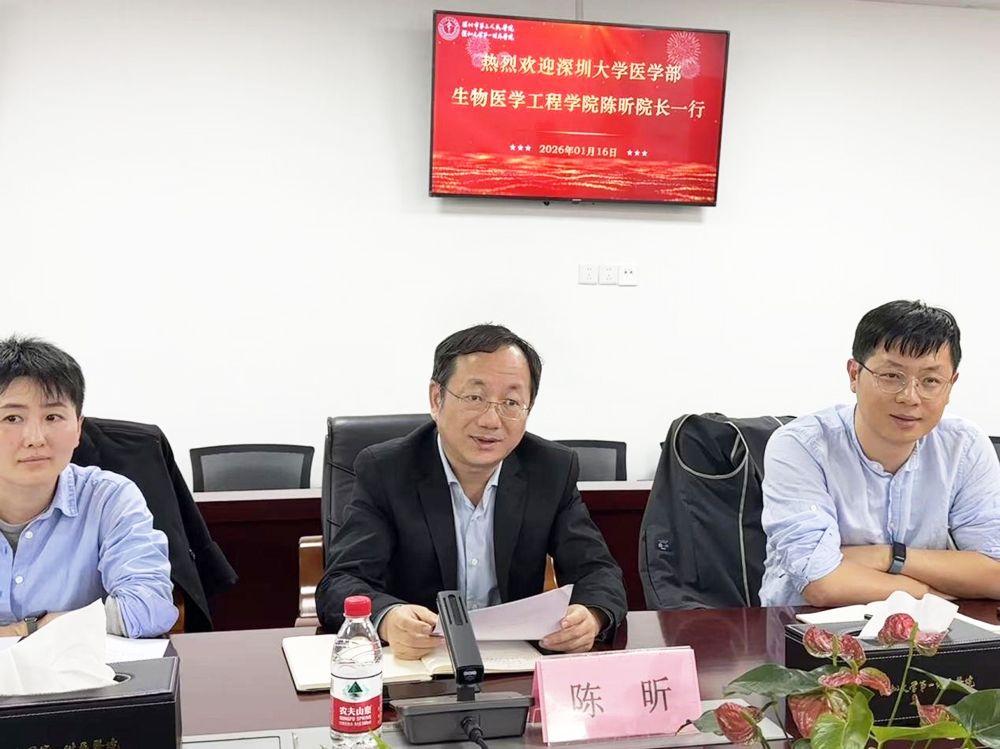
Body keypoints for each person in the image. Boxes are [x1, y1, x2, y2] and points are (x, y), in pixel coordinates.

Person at [316, 324, 626, 658]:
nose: (491, 420)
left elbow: (598, 571)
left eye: (511, 402)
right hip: (422, 663)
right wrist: (387, 619)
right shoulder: (387, 470)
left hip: (514, 663)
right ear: (437, 399)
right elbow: (341, 581)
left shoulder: (551, 470)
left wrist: (590, 616)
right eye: (475, 398)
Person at [760, 300, 1000, 606]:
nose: (910, 397)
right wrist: (927, 594)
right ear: (854, 374)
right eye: (891, 376)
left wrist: (890, 557)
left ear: (950, 385)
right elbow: (821, 584)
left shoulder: (964, 447)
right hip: (807, 627)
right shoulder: (800, 446)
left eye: (930, 381)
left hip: (928, 630)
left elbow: (995, 572)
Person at [0, 336, 177, 637]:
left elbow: (150, 608)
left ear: (78, 429)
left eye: (53, 416)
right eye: (12, 418)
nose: (35, 438)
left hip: (76, 666)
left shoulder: (109, 498)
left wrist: (32, 628)